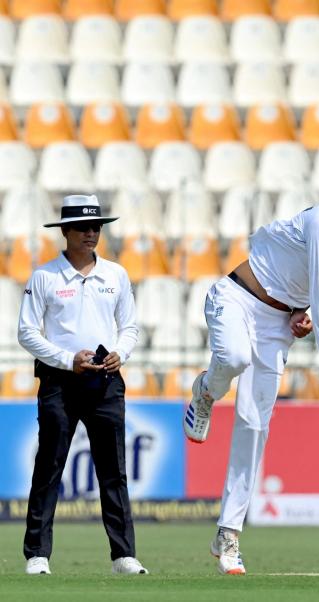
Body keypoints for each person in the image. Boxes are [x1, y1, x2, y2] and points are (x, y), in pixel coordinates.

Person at [182, 159, 319, 575]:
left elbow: (315, 288)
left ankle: (228, 535)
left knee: (255, 424)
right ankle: (206, 391)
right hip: (238, 297)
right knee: (233, 358)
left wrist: (300, 314)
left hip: (276, 325)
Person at [17, 195, 147, 575]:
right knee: (49, 465)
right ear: (66, 232)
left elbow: (130, 327)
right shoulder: (45, 276)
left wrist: (120, 352)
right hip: (60, 381)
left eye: (97, 227)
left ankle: (124, 556)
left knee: (113, 470)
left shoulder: (116, 275)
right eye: (83, 227)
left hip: (105, 381)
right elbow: (26, 333)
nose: (91, 233)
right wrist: (65, 358)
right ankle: (37, 554)